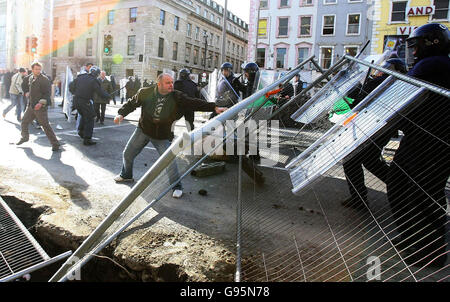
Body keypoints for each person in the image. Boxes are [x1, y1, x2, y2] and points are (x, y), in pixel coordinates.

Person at [387, 23, 450, 267]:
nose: (414, 52)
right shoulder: (434, 64)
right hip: (420, 138)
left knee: (425, 195)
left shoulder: (433, 64)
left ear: (432, 42)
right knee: (399, 185)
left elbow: (401, 93)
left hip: (431, 142)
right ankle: (411, 235)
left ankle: (433, 253)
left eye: (417, 45)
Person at [113, 73, 227, 198]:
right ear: (159, 84)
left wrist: (214, 107)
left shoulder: (176, 96)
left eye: (172, 82)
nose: (171, 85)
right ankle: (126, 175)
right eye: (168, 83)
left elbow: (193, 103)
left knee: (169, 162)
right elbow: (131, 103)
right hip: (143, 130)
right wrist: (121, 114)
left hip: (162, 135)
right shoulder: (145, 92)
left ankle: (177, 186)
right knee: (127, 154)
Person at [340, 58, 407, 209]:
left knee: (352, 161)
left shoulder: (383, 82)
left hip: (375, 128)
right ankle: (402, 189)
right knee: (370, 161)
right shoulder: (396, 84)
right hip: (381, 128)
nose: (378, 73)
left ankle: (360, 199)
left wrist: (356, 88)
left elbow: (358, 102)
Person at [16, 62, 60, 151]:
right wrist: (26, 92)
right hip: (31, 106)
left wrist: (40, 103)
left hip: (40, 107)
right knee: (24, 121)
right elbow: (23, 85)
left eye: (39, 69)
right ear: (32, 70)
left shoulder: (44, 79)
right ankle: (25, 137)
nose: (38, 71)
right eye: (36, 69)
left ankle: (55, 144)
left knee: (45, 126)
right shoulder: (30, 77)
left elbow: (47, 94)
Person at [70, 66, 112, 145]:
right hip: (85, 101)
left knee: (83, 115)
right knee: (90, 118)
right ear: (97, 74)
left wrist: (75, 93)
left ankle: (81, 132)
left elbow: (70, 86)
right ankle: (87, 139)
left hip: (76, 100)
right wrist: (108, 96)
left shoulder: (80, 77)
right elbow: (100, 92)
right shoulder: (94, 80)